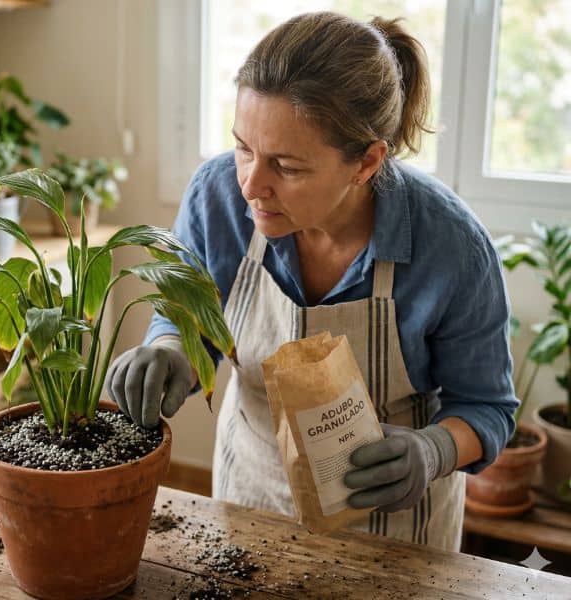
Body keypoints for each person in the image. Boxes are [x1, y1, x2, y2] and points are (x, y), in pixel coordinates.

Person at [104, 11, 517, 552]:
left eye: (287, 167)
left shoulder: (452, 247)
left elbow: (487, 406)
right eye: (243, 148)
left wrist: (432, 450)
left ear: (366, 162)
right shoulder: (217, 199)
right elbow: (185, 318)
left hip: (394, 527)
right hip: (252, 493)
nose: (252, 185)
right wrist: (168, 347)